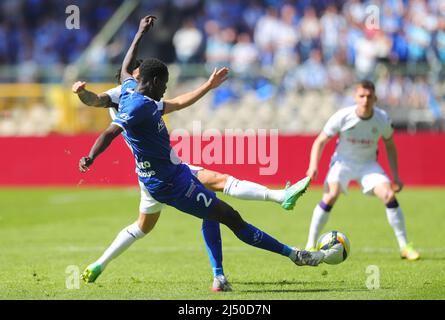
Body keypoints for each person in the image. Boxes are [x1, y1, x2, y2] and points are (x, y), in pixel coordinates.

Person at [78, 15, 324, 291]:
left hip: (167, 171)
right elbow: (109, 128)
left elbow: (134, 72)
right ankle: (294, 255)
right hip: (169, 183)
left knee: (192, 206)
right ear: (154, 79)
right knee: (230, 216)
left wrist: (140, 32)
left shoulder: (132, 90)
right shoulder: (137, 106)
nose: (167, 87)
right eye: (165, 82)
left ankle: (220, 273)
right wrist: (90, 155)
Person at [304, 80, 420, 261]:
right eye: (361, 96)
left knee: (389, 195)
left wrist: (395, 176)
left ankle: (404, 246)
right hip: (342, 163)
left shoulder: (382, 119)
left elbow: (390, 146)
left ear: (375, 98)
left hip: (368, 165)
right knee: (331, 194)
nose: (365, 100)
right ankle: (310, 245)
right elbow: (320, 141)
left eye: (368, 96)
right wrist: (313, 166)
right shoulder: (342, 116)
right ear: (355, 97)